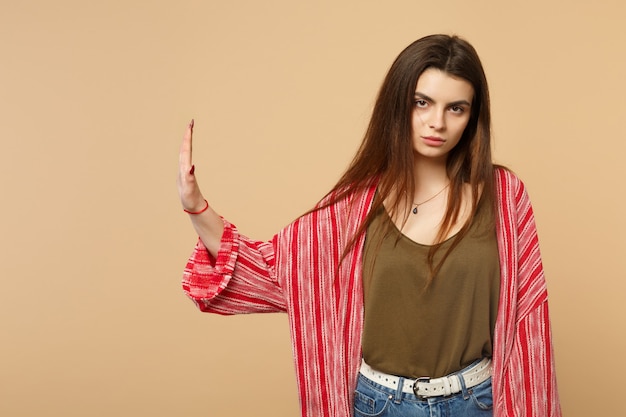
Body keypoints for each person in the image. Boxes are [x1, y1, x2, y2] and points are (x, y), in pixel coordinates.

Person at [177, 34, 561, 417]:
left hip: (477, 401)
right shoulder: (352, 209)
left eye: (456, 108)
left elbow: (529, 321)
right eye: (422, 103)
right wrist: (197, 207)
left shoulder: (504, 196)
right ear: (398, 105)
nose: (437, 122)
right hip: (379, 406)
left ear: (472, 117)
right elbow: (267, 272)